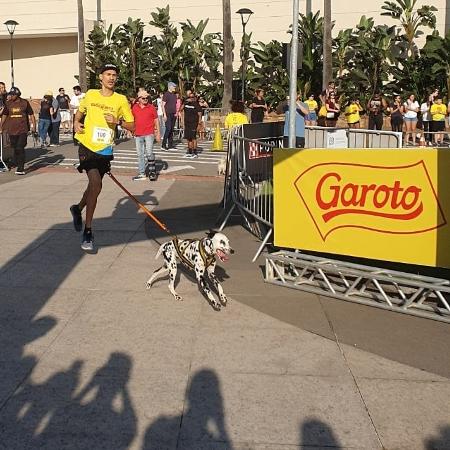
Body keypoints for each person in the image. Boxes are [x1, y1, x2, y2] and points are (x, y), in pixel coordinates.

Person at [70, 63, 135, 252]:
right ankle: (88, 231)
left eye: (114, 75)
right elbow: (79, 113)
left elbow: (132, 126)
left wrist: (118, 122)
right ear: (101, 77)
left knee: (92, 187)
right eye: (108, 74)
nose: (112, 78)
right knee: (96, 184)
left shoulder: (121, 100)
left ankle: (77, 207)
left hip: (105, 149)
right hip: (87, 145)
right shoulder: (90, 95)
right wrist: (76, 123)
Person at [0, 86, 36, 175]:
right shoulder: (8, 103)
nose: (11, 96)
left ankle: (21, 168)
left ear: (17, 94)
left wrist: (33, 126)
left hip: (22, 129)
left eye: (13, 94)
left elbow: (31, 114)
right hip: (11, 129)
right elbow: (4, 115)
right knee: (14, 147)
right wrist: (1, 126)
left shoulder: (24, 103)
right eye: (10, 94)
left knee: (20, 147)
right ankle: (16, 161)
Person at [131, 89, 159, 180]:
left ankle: (152, 171)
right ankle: (142, 173)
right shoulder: (134, 107)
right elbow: (131, 119)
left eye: (147, 98)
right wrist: (129, 130)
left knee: (149, 152)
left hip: (149, 133)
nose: (145, 99)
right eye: (143, 98)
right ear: (139, 99)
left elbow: (156, 120)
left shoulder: (151, 107)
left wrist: (158, 133)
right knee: (140, 154)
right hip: (138, 134)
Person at [182, 92, 202, 158]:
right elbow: (180, 109)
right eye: (189, 97)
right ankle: (190, 151)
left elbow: (200, 114)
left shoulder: (196, 104)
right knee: (188, 138)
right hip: (187, 123)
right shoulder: (186, 104)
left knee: (193, 138)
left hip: (194, 123)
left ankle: (195, 152)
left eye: (192, 97)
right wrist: (185, 102)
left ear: (195, 98)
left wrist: (199, 124)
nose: (191, 98)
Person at [161, 82, 177, 151]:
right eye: (173, 86)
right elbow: (163, 105)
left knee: (171, 129)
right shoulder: (166, 94)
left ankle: (170, 145)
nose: (174, 88)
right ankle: (163, 145)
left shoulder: (174, 95)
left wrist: (176, 112)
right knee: (168, 128)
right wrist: (164, 114)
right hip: (167, 113)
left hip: (173, 113)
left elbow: (175, 104)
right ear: (170, 86)